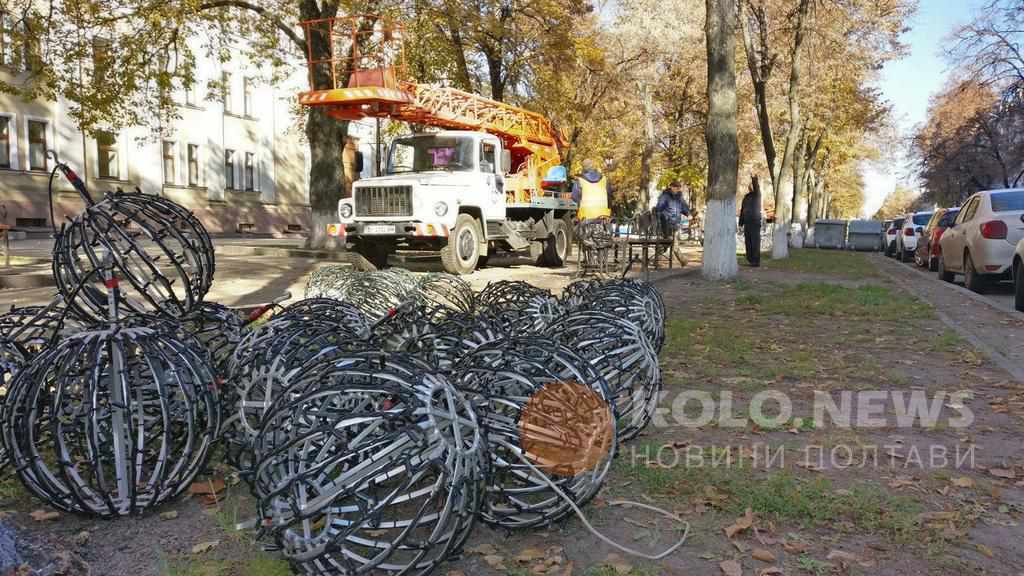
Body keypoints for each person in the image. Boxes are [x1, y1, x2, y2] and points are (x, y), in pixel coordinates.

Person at [654, 181, 691, 258]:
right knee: (669, 241)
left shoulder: (679, 198)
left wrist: (688, 214)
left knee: (671, 242)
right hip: (667, 223)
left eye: (678, 187)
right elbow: (659, 208)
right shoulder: (665, 196)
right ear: (671, 187)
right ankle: (682, 260)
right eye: (675, 187)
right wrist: (661, 216)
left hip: (676, 224)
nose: (677, 189)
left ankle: (657, 257)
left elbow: (684, 207)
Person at [739, 176, 762, 267]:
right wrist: (741, 222)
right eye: (750, 186)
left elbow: (756, 187)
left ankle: (756, 261)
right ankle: (750, 259)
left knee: (755, 241)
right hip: (747, 222)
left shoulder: (757, 195)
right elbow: (742, 209)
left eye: (752, 185)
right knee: (748, 241)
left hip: (755, 221)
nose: (751, 187)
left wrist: (754, 179)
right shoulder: (746, 197)